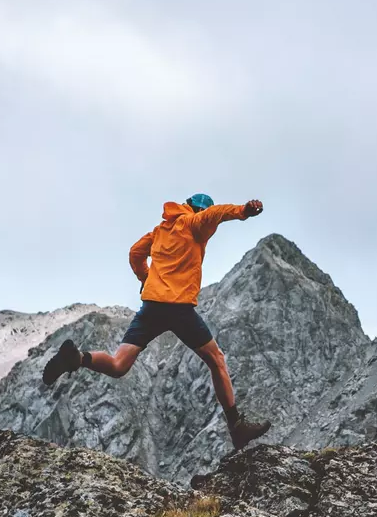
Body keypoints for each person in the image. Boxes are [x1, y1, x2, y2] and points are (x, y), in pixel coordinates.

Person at [42, 193, 272, 452]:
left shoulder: (161, 230)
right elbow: (216, 214)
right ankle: (237, 427)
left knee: (119, 364)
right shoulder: (195, 223)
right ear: (198, 210)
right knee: (216, 359)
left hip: (151, 307)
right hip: (179, 308)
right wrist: (244, 210)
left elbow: (135, 253)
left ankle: (77, 359)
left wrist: (146, 278)